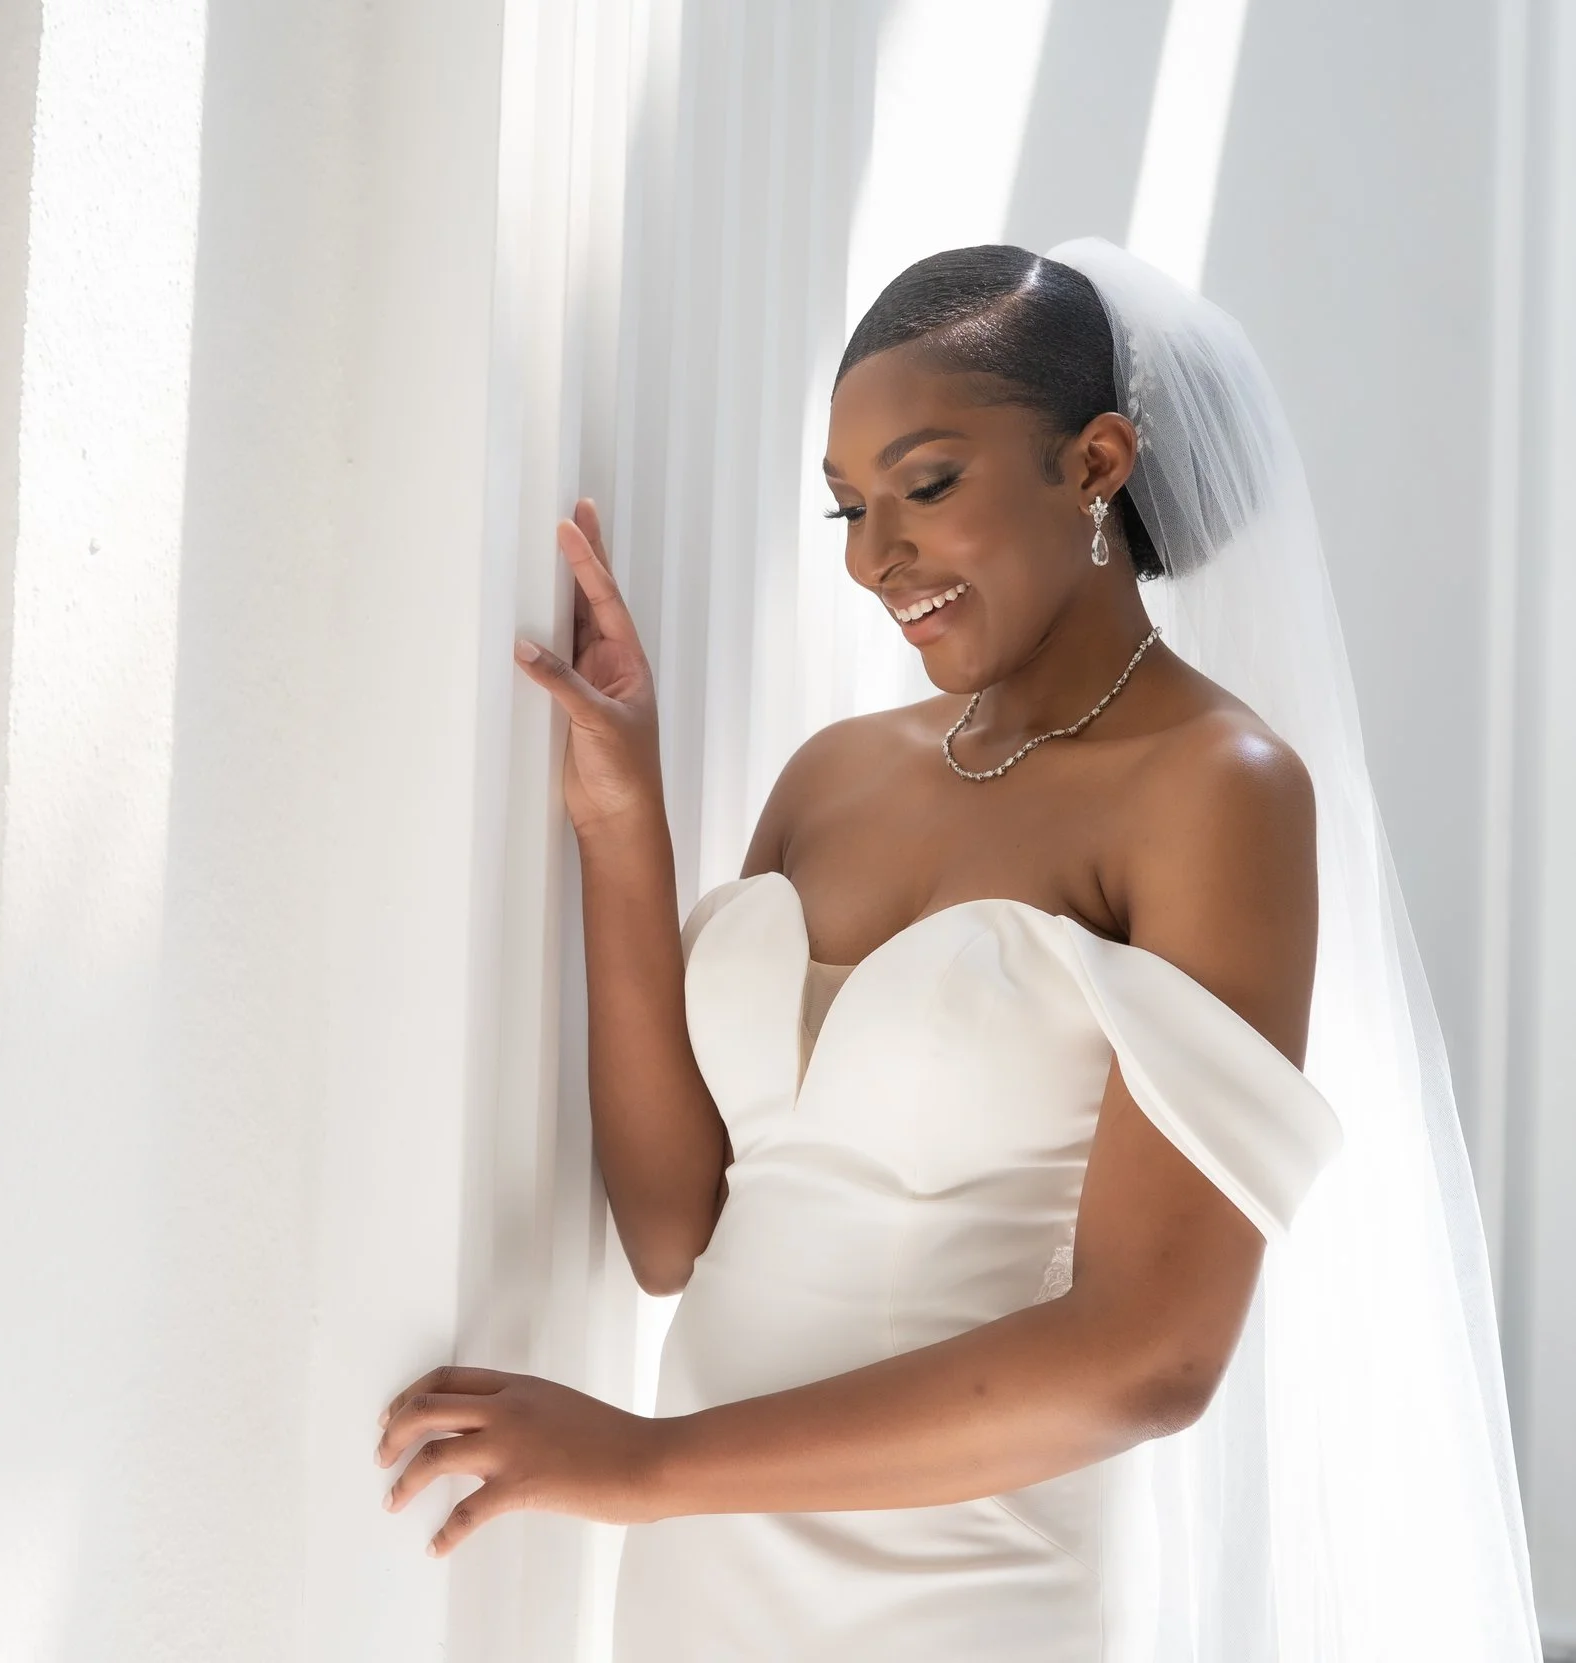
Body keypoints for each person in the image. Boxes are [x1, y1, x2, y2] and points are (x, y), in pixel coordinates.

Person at [373, 241, 1540, 1659]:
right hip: (699, 1596)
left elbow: (1152, 1355)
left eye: (927, 486)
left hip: (965, 1596)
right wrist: (624, 828)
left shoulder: (1213, 785)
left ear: (1095, 461)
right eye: (849, 507)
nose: (875, 557)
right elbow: (678, 1226)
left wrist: (641, 1467)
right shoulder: (833, 776)